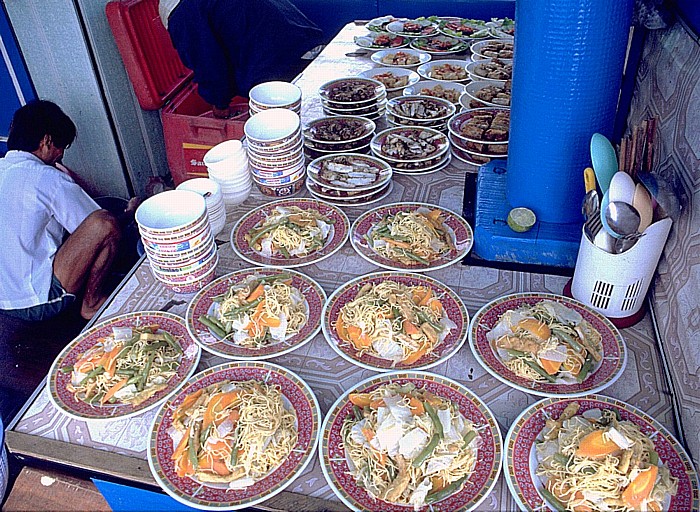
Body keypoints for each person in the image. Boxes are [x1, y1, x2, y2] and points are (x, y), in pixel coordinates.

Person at [0, 100, 138, 321]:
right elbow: (98, 227)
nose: (60, 155)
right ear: (46, 140)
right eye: (60, 147)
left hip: (5, 301)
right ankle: (91, 304)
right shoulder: (48, 178)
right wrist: (131, 212)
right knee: (105, 222)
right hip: (40, 301)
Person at [159, 0, 324, 118]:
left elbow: (209, 64)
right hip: (306, 42)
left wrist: (219, 104)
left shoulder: (182, 13)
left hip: (281, 65)